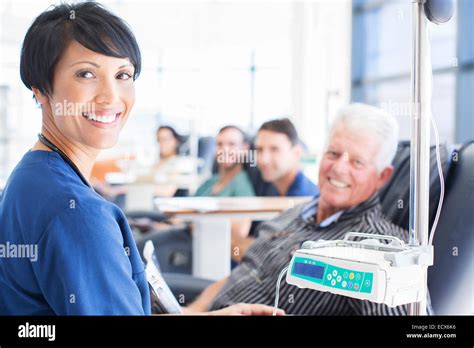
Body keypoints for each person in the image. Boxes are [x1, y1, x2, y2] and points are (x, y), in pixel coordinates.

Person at [0, 2, 281, 316]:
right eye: (86, 73)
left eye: (123, 74)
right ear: (40, 89)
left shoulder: (31, 175)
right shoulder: (78, 214)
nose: (110, 97)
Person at [186, 103, 432, 315]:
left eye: (357, 162)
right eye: (333, 154)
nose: (338, 169)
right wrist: (192, 311)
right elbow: (244, 271)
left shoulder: (383, 252)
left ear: (382, 177)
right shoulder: (292, 214)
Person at [254, 118, 319, 197]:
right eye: (259, 150)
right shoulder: (270, 187)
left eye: (274, 149)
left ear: (296, 153)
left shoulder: (308, 198)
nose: (264, 160)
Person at [195, 125, 255, 197]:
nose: (224, 149)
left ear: (245, 149)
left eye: (231, 144)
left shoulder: (242, 187)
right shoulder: (210, 182)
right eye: (219, 144)